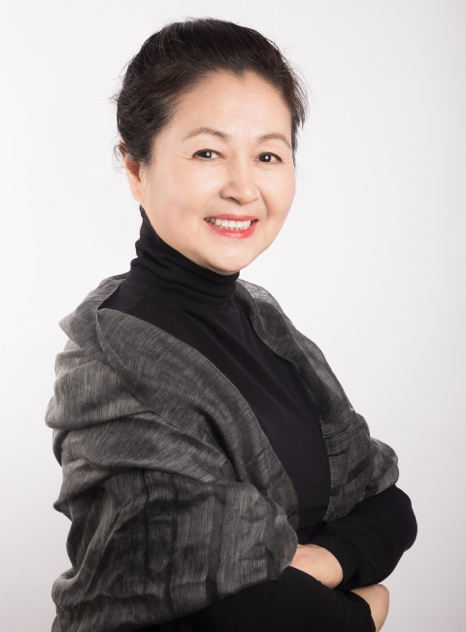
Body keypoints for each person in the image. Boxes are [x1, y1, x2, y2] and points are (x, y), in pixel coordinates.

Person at [46, 18, 417, 632]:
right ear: (135, 167)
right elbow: (251, 616)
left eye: (268, 155)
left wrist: (317, 563)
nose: (244, 188)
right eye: (208, 153)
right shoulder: (112, 361)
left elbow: (388, 505)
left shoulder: (266, 323)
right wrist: (368, 607)